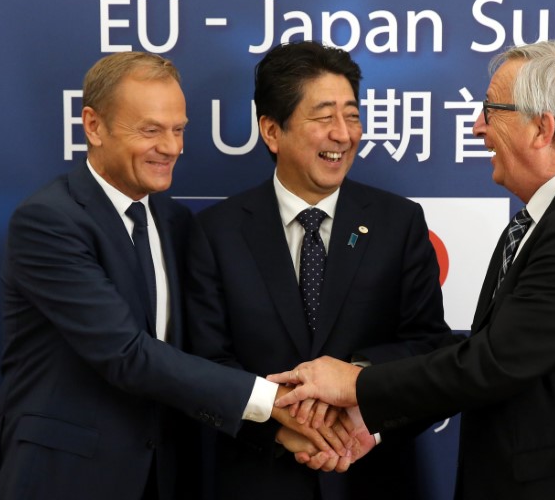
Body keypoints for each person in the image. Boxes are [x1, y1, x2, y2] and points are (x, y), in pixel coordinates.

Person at [271, 41, 555, 500]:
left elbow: (493, 364)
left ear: (542, 128)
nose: (478, 127)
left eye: (490, 111)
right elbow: (499, 350)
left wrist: (357, 384)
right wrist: (371, 418)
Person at [0, 51, 349, 500]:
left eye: (178, 130)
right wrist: (274, 402)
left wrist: (277, 428)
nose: (172, 147)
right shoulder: (49, 221)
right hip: (65, 476)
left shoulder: (175, 222)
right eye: (151, 130)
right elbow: (126, 353)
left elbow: (195, 352)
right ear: (93, 126)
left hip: (165, 475)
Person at [185, 41, 452, 499]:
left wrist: (357, 386)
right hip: (259, 479)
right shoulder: (217, 232)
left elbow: (430, 347)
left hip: (373, 477)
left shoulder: (399, 223)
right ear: (272, 131)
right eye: (324, 116)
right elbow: (206, 364)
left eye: (351, 114)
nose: (343, 134)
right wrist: (276, 425)